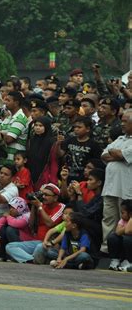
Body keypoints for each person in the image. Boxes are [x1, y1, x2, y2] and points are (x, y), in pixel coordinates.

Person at [5, 183, 65, 263]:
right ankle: (31, 259)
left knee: (39, 248)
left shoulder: (61, 207)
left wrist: (39, 206)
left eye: (47, 195)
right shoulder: (42, 205)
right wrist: (34, 206)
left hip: (51, 245)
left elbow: (50, 223)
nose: (43, 197)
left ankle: (33, 258)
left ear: (55, 197)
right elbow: (31, 225)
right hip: (37, 241)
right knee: (10, 247)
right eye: (43, 194)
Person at [100, 109, 132, 252]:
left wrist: (116, 154)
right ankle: (108, 249)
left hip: (126, 188)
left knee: (125, 220)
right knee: (108, 219)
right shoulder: (120, 138)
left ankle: (124, 252)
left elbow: (120, 154)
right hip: (110, 187)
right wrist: (117, 155)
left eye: (125, 121)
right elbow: (104, 155)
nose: (122, 124)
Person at [58, 116, 101, 183]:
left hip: (83, 178)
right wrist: (58, 143)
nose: (76, 129)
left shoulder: (93, 145)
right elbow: (60, 154)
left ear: (87, 129)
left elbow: (96, 164)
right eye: (75, 127)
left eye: (79, 127)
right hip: (68, 175)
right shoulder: (69, 140)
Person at [107, 200, 132, 271]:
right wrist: (127, 226)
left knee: (127, 239)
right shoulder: (122, 220)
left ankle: (130, 262)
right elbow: (117, 232)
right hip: (124, 248)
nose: (121, 215)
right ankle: (115, 260)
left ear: (130, 213)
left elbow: (128, 231)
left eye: (123, 213)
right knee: (112, 237)